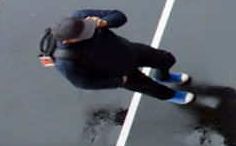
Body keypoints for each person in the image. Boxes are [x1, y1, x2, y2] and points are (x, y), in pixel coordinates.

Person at [50, 9, 194, 105]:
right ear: (67, 40)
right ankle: (171, 95)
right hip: (120, 73)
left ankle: (163, 76)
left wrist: (105, 22)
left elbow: (119, 16)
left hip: (129, 50)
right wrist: (118, 81)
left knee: (167, 59)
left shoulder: (82, 16)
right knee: (152, 88)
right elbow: (84, 83)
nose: (89, 30)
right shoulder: (66, 62)